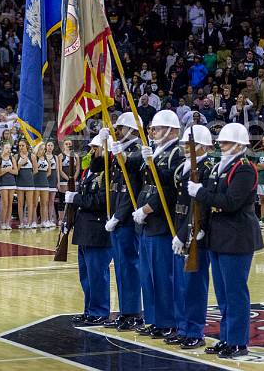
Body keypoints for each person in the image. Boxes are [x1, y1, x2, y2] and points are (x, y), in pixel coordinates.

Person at [187, 123, 264, 358]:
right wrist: (200, 228)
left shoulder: (244, 168)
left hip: (236, 236)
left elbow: (230, 202)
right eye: (220, 142)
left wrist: (200, 193)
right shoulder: (220, 167)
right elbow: (211, 201)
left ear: (240, 145)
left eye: (227, 142)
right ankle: (227, 337)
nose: (222, 145)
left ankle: (238, 341)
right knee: (222, 293)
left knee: (235, 292)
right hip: (218, 236)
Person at [133, 110, 183, 339]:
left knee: (163, 276)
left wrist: (147, 209)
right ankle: (153, 319)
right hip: (146, 224)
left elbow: (170, 190)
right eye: (152, 129)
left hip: (161, 222)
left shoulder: (176, 153)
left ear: (173, 130)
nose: (153, 132)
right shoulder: (154, 151)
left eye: (158, 128)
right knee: (148, 275)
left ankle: (168, 321)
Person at [167, 124, 214, 349]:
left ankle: (194, 330)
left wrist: (186, 233)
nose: (186, 147)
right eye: (185, 144)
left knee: (194, 285)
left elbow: (200, 206)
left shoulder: (207, 168)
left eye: (191, 144)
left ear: (203, 146)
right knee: (179, 284)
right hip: (179, 229)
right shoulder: (182, 167)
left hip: (195, 232)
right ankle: (182, 327)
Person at [102, 112, 144, 332]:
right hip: (117, 215)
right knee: (120, 267)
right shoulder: (122, 148)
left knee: (129, 266)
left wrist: (119, 215)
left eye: (119, 128)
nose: (116, 131)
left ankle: (134, 312)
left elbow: (130, 189)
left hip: (126, 218)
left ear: (132, 130)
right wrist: (103, 143)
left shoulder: (137, 149)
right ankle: (125, 311)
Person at [66, 133, 113, 326]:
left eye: (96, 148)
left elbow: (101, 201)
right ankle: (89, 310)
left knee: (97, 274)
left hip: (98, 229)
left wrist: (76, 199)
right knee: (86, 276)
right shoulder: (90, 172)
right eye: (92, 148)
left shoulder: (108, 173)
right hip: (84, 228)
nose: (92, 151)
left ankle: (100, 311)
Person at [15, 139, 36, 229]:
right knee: (20, 203)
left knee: (29, 203)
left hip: (29, 182)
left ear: (27, 146)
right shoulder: (16, 156)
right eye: (19, 146)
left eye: (22, 145)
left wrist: (30, 175)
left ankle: (29, 223)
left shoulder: (32, 156)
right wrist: (20, 164)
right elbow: (15, 170)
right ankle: (22, 222)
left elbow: (35, 170)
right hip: (19, 182)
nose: (21, 147)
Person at [0, 142, 17, 230]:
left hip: (11, 183)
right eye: (7, 148)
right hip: (3, 183)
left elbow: (16, 171)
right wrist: (6, 170)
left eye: (9, 148)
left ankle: (7, 223)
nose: (8, 150)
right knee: (5, 203)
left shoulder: (12, 158)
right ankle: (2, 222)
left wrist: (8, 170)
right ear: (2, 149)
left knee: (10, 204)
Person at [32, 142, 52, 228]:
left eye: (43, 149)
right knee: (34, 204)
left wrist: (43, 177)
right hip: (36, 183)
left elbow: (49, 172)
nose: (42, 150)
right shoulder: (34, 157)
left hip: (45, 183)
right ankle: (33, 221)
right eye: (40, 148)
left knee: (44, 203)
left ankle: (44, 221)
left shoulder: (47, 159)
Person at [45, 141, 60, 226]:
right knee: (45, 201)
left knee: (51, 201)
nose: (50, 147)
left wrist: (58, 182)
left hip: (53, 179)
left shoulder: (55, 157)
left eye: (51, 145)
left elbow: (57, 170)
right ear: (46, 147)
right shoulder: (43, 156)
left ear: (53, 147)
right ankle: (45, 219)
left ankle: (50, 219)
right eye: (48, 145)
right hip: (46, 179)